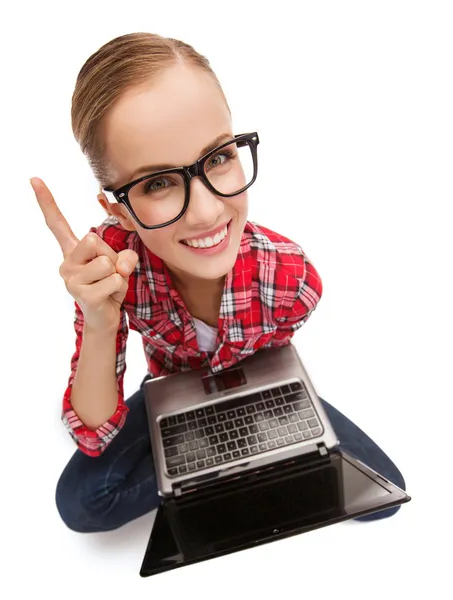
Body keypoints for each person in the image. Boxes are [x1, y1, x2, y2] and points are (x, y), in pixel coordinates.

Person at [31, 32, 405, 533]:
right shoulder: (115, 274)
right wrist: (100, 320)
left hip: (265, 384)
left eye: (218, 158)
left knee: (381, 492)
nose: (207, 212)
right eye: (158, 183)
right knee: (82, 503)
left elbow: (276, 355)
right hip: (172, 390)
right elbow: (94, 434)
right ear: (117, 209)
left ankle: (224, 466)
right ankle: (245, 465)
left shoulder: (292, 277)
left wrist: (258, 429)